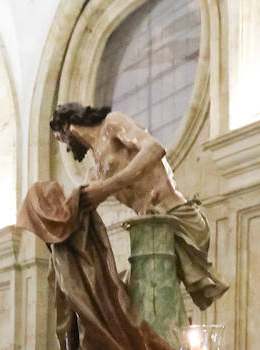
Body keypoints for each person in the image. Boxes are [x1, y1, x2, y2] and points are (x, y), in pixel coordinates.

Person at [48, 102, 226, 310]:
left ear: (67, 126)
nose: (68, 148)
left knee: (145, 307)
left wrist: (107, 187)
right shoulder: (96, 171)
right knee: (127, 305)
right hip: (147, 233)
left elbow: (154, 149)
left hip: (176, 219)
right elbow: (76, 210)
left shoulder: (112, 124)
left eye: (63, 140)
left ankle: (163, 341)